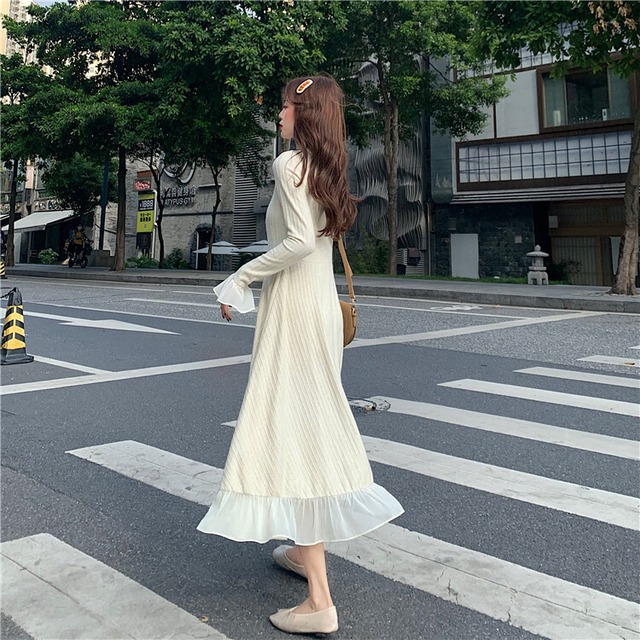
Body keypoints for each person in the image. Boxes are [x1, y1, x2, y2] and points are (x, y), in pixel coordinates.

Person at [197, 75, 404, 635]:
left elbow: (294, 243)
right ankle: (302, 553)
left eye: (287, 106)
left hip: (294, 311)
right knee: (308, 428)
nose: (279, 114)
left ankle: (319, 600)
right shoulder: (325, 170)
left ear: (306, 113)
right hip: (320, 311)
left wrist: (240, 276)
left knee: (294, 434)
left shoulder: (289, 165)